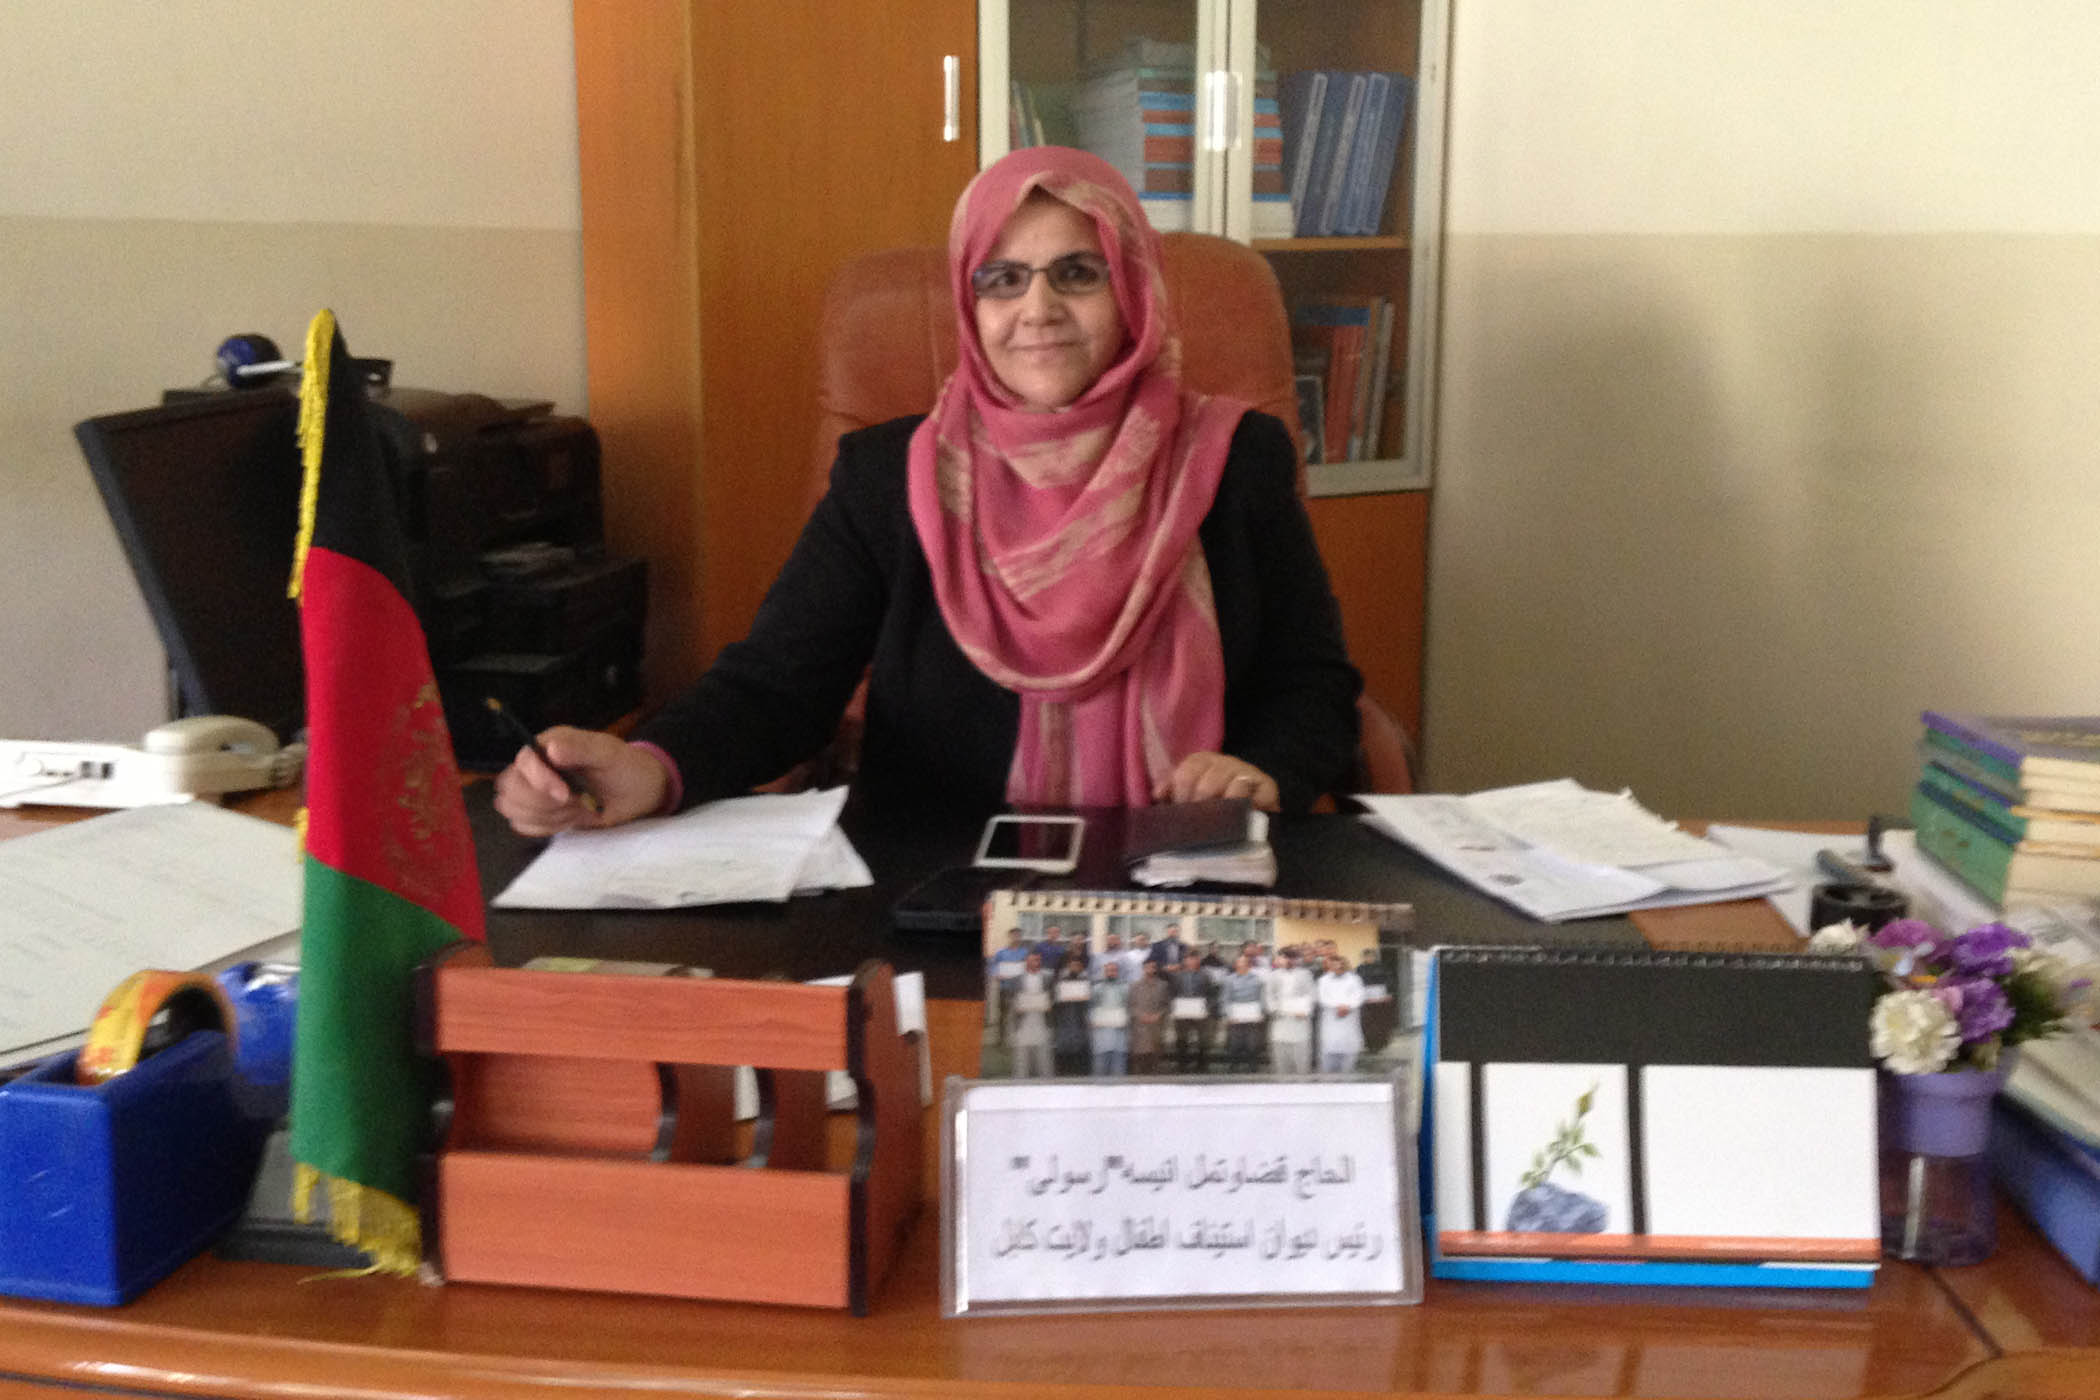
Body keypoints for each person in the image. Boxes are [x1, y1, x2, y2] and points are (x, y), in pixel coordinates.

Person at [492, 144, 1360, 837]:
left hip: (1186, 872)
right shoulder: (892, 477)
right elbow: (776, 685)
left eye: (1078, 273)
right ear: (969, 304)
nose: (1038, 307)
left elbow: (1312, 682)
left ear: (1132, 291)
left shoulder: (1235, 457)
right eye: (1003, 278)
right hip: (943, 868)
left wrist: (1265, 769)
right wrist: (650, 765)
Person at [1264, 946, 1316, 1075]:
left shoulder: (1305, 975)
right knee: (1280, 1061)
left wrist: (1305, 1011)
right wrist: (1276, 1010)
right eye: (1285, 958)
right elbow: (1268, 996)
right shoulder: (1273, 976)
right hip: (1281, 1021)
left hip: (1300, 1021)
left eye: (1292, 958)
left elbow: (1312, 995)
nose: (1289, 961)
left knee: (1301, 1060)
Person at [1316, 952, 1365, 1074]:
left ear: (1345, 965)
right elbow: (1322, 998)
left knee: (1348, 1064)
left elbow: (1359, 996)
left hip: (1349, 1021)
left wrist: (1347, 1007)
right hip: (1330, 1021)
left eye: (1340, 965)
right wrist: (1338, 1006)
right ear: (1330, 966)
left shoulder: (1355, 979)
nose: (1338, 968)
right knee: (1328, 1065)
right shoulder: (1323, 980)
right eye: (1334, 966)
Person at [1168, 950, 1217, 1073]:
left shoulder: (1206, 975)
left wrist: (1207, 1007)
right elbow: (1171, 993)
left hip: (1200, 1011)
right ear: (1184, 961)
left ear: (1198, 960)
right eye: (1188, 959)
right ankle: (1182, 1065)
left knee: (1203, 1039)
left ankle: (1201, 1065)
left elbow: (1212, 994)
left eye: (1194, 959)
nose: (1191, 961)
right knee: (1181, 1039)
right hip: (1182, 1011)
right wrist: (1173, 1007)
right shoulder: (1177, 975)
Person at [1219, 952, 1267, 1072]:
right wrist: (1228, 1014)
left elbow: (1261, 997)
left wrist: (1261, 1012)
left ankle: (1252, 1066)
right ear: (1235, 965)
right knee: (1235, 1042)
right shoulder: (1229, 980)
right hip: (1235, 1015)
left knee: (1252, 1042)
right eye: (1239, 963)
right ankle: (1233, 1066)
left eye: (1244, 963)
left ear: (1249, 965)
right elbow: (1225, 998)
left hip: (1253, 1015)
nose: (1241, 965)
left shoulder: (1257, 979)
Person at [1051, 953, 1093, 1076]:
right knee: (1063, 1051)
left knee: (1081, 1050)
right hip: (1064, 1022)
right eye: (1072, 965)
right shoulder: (1061, 982)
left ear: (1081, 968)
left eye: (1078, 965)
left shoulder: (1086, 982)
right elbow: (1054, 1001)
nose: (1075, 967)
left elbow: (1090, 1002)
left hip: (1080, 1022)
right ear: (1068, 966)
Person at [1127, 960, 1171, 1075]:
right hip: (1139, 1028)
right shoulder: (1134, 986)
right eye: (1147, 967)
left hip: (1156, 1028)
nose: (1150, 969)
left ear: (1155, 969)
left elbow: (1167, 1005)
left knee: (1155, 1062)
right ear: (1143, 968)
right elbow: (1130, 1005)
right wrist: (1139, 1015)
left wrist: (1158, 1015)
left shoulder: (1163, 985)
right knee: (1139, 1062)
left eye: (1152, 967)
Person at [1089, 959, 1130, 1076]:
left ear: (1117, 972)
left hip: (1119, 1038)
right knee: (1099, 1075)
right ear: (1104, 972)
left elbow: (1128, 1008)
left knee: (1119, 1074)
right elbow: (1090, 1009)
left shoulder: (1125, 988)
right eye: (1108, 971)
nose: (1111, 973)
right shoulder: (1096, 989)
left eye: (1113, 970)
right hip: (1101, 1038)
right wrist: (1092, 1020)